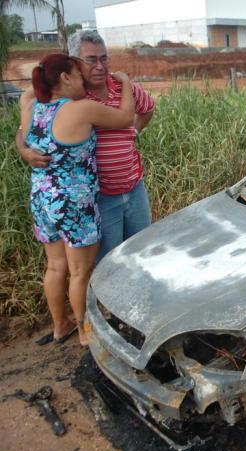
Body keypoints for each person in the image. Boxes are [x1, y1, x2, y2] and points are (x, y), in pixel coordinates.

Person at [19, 54, 135, 346]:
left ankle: (60, 327)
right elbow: (125, 118)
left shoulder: (31, 105)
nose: (84, 81)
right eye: (78, 75)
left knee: (56, 267)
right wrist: (127, 85)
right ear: (65, 78)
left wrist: (23, 150)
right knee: (81, 272)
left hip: (43, 198)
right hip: (74, 201)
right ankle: (86, 333)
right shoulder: (80, 110)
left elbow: (21, 133)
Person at [17, 30, 156, 262]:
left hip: (134, 188)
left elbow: (148, 108)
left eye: (104, 58)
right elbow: (26, 128)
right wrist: (24, 150)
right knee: (109, 262)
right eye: (91, 59)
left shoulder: (123, 87)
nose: (100, 66)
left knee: (142, 251)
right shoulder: (70, 95)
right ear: (74, 63)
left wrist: (134, 131)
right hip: (100, 196)